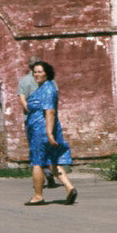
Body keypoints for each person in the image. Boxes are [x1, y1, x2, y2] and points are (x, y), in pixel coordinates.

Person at [25, 59, 76, 205]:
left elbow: (50, 112)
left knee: (37, 162)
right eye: (35, 72)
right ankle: (69, 188)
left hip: (41, 131)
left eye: (40, 72)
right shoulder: (43, 88)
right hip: (43, 129)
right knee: (52, 161)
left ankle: (38, 196)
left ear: (47, 74)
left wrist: (48, 133)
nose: (36, 74)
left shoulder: (47, 89)